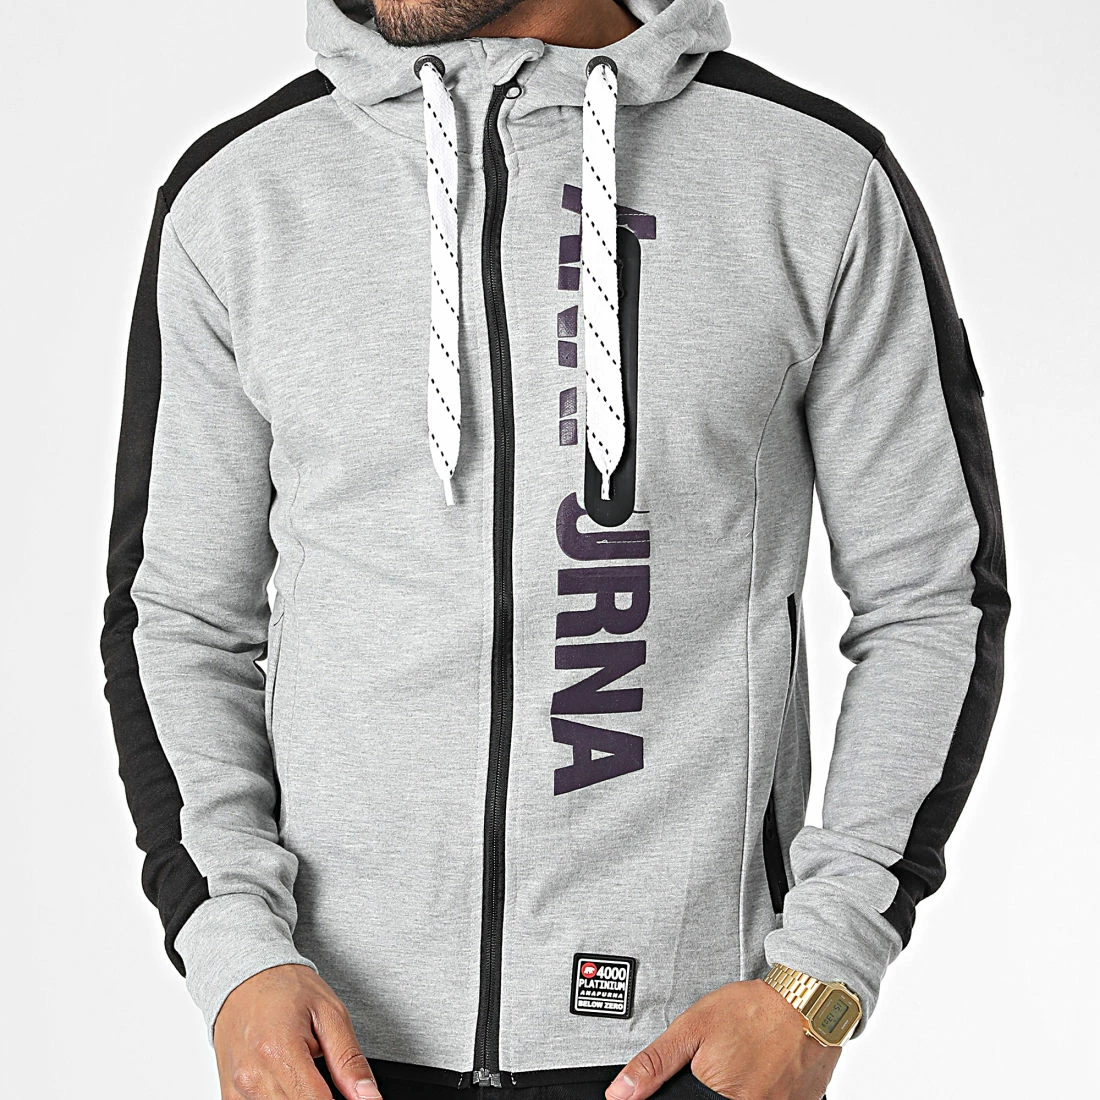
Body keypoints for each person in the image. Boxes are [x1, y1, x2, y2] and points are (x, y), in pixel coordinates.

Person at [99, 1, 1009, 1099]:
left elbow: (932, 597)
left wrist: (821, 976)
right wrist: (232, 949)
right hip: (329, 1048)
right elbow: (179, 619)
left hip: (680, 1049)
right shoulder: (240, 195)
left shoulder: (812, 177)